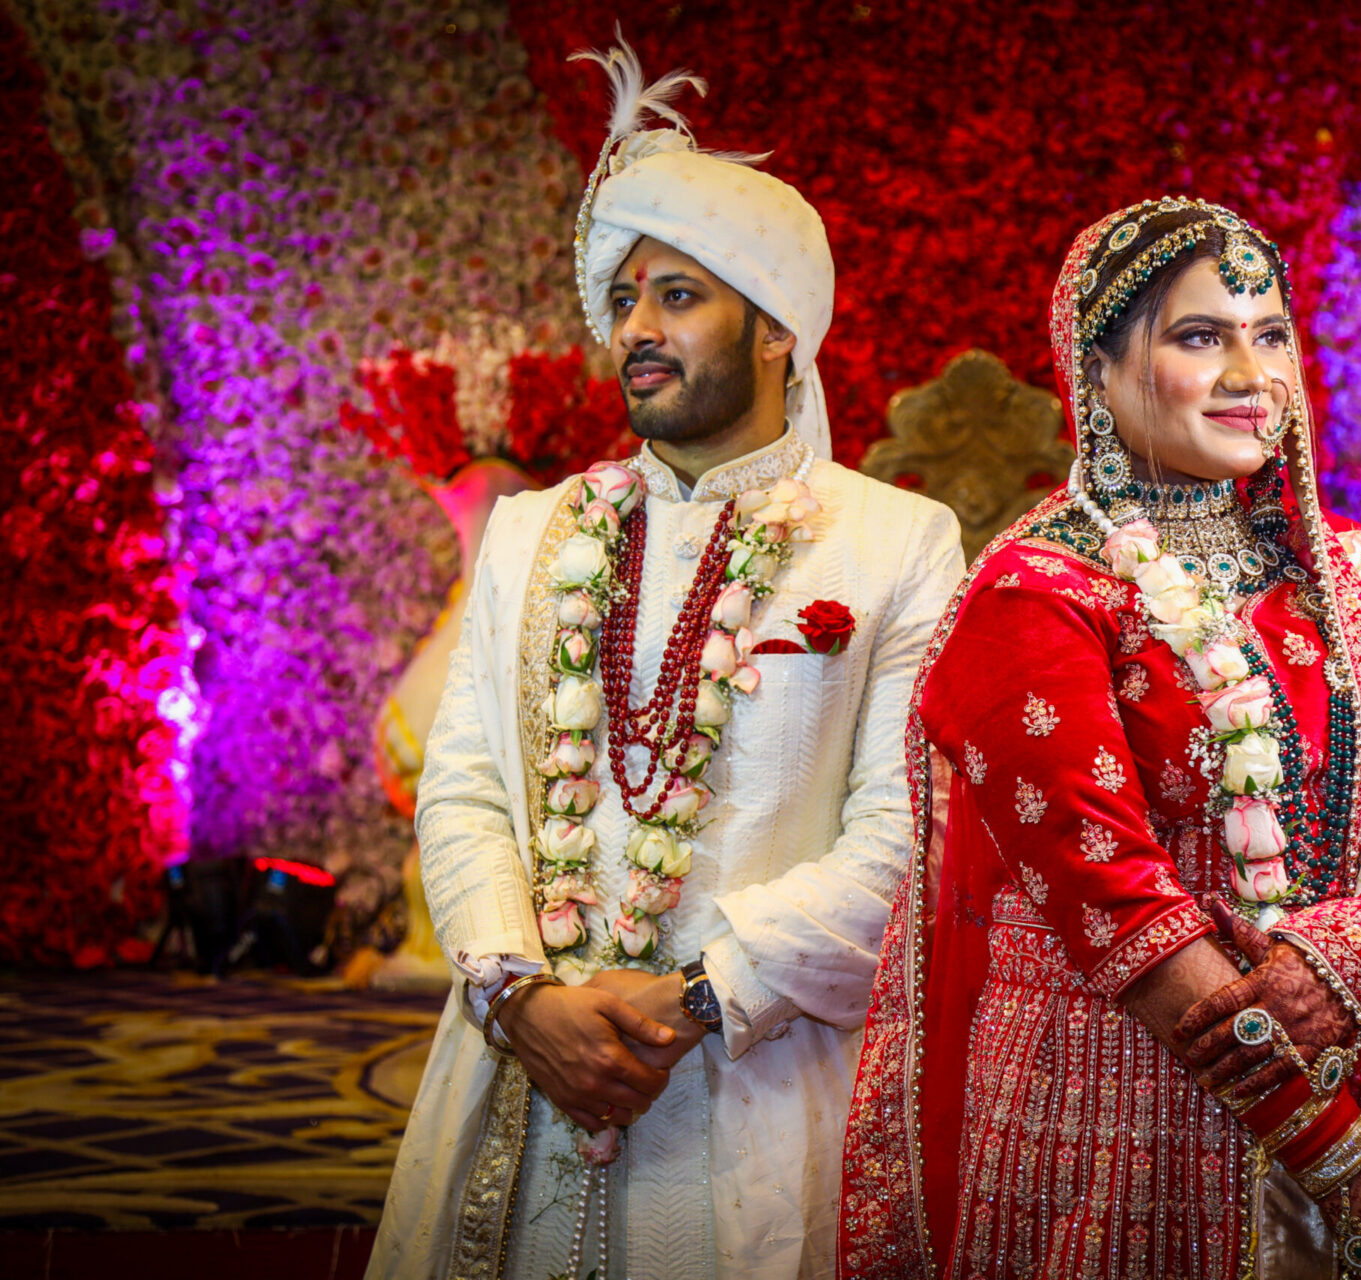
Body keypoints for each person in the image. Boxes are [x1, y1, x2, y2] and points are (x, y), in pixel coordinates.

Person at [839, 198, 1361, 1279]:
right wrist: (1333, 1147)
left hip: (1355, 1048)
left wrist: (1334, 968)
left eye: (1271, 336)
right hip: (1121, 1108)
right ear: (1098, 369)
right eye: (1202, 336)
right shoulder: (1035, 593)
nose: (1251, 376)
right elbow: (1112, 893)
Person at [369, 40, 963, 1280]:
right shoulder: (530, 532)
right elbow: (463, 784)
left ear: (777, 329)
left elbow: (907, 835)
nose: (635, 327)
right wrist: (521, 995)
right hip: (519, 1057)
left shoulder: (895, 540)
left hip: (756, 1080)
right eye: (627, 297)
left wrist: (696, 994)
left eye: (679, 295)